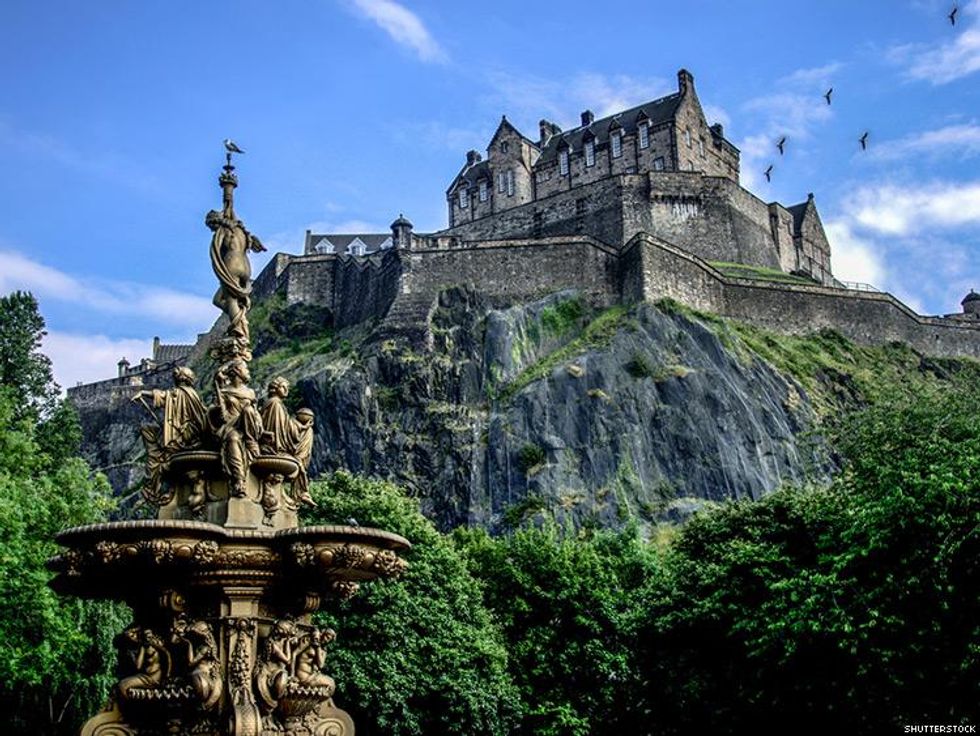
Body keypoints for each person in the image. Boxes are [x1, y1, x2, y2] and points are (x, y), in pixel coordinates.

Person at [212, 359, 263, 497]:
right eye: (245, 368)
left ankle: (251, 441)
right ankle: (239, 480)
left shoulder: (250, 392)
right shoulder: (224, 391)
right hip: (231, 425)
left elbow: (255, 412)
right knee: (233, 439)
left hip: (248, 426)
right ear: (237, 371)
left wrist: (258, 425)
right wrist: (218, 410)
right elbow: (215, 414)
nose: (248, 371)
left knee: (248, 410)